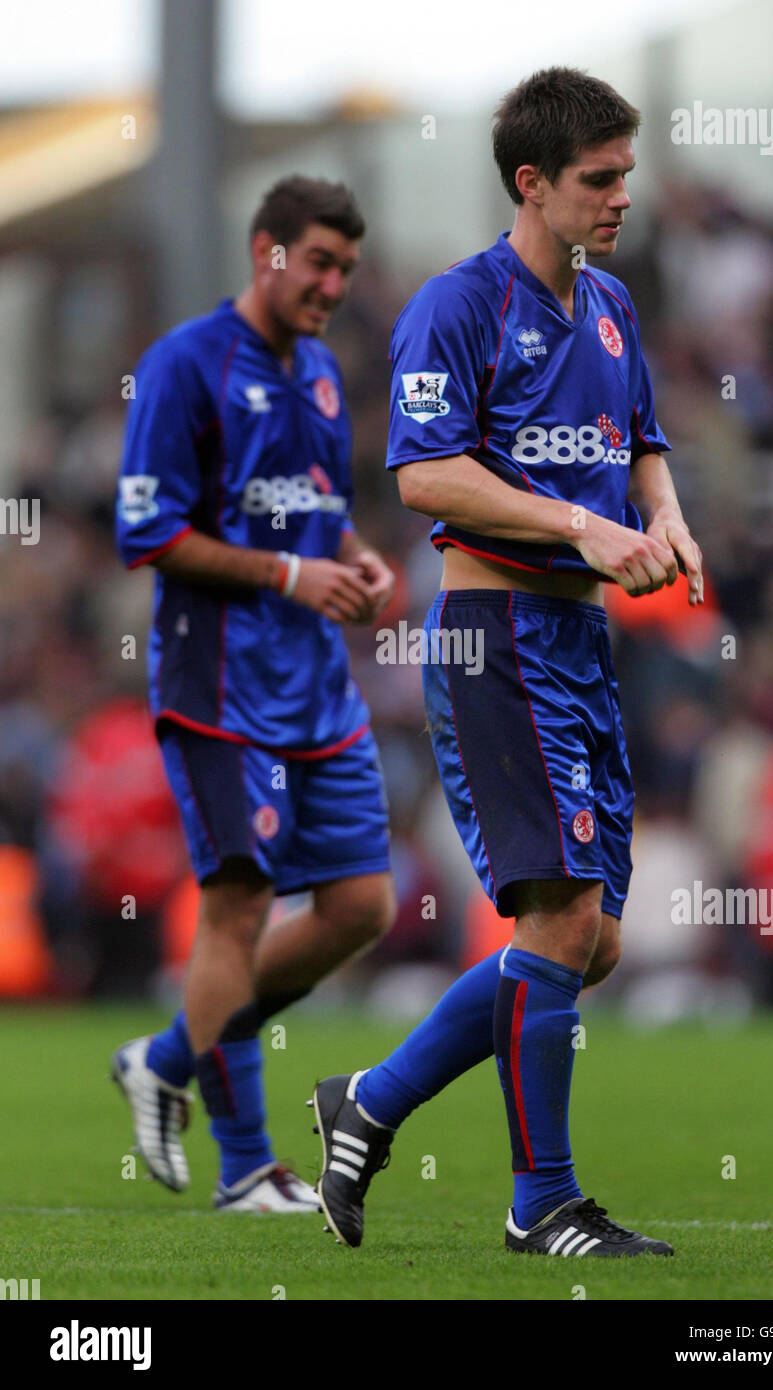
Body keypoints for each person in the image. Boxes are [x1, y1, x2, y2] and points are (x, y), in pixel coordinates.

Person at [312, 68, 703, 1256]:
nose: (619, 196)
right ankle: (542, 1204)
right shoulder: (457, 304)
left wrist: (665, 515)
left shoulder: (612, 305)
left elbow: (638, 443)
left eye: (626, 174)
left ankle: (368, 1102)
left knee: (592, 940)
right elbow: (424, 474)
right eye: (599, 179)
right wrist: (584, 527)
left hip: (580, 638)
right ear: (530, 183)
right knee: (559, 920)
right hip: (496, 639)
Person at [112, 175, 397, 1212]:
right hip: (221, 688)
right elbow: (145, 531)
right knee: (237, 907)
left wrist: (359, 560)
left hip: (316, 687)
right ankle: (244, 1168)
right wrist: (288, 576)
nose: (330, 285)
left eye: (345, 270)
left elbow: (321, 513)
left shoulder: (321, 372)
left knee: (361, 904)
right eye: (316, 263)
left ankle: (168, 1055)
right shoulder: (184, 366)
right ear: (264, 251)